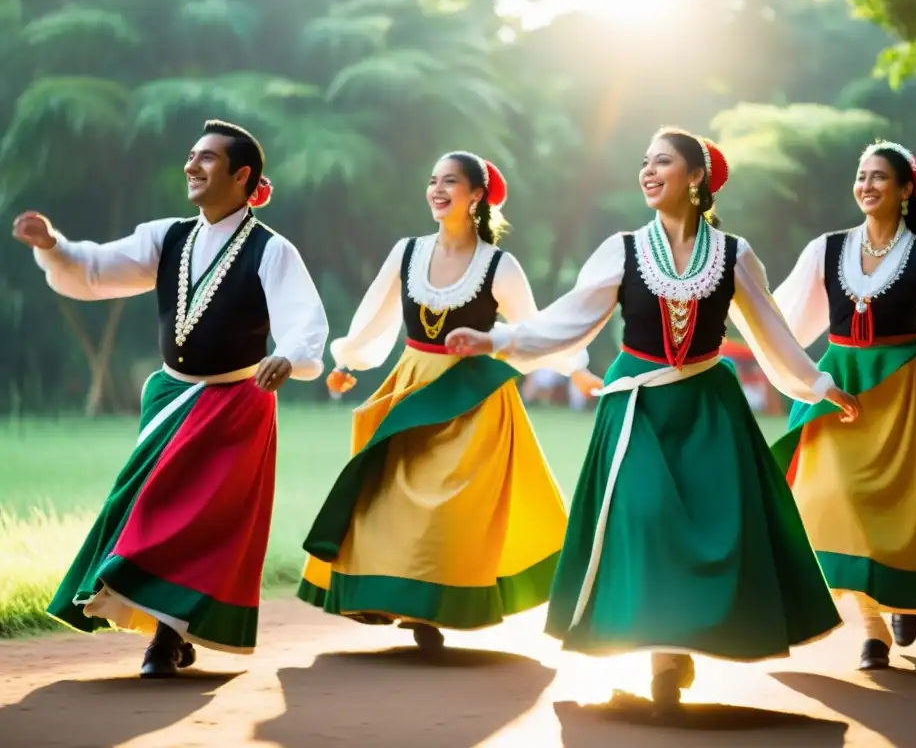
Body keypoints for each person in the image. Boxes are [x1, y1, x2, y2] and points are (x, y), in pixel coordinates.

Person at [445, 128, 859, 710]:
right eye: (644, 162)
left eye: (662, 162)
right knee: (645, 511)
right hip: (636, 404)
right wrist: (497, 339)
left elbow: (771, 332)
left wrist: (818, 385)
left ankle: (674, 652)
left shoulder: (734, 254)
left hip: (709, 409)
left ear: (696, 177)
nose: (647, 171)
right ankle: (660, 652)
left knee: (718, 527)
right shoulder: (622, 248)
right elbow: (569, 320)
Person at [12, 120, 329, 677]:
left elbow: (304, 323)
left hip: (235, 403)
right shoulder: (168, 236)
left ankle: (165, 638)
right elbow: (98, 268)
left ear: (242, 175)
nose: (193, 166)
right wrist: (53, 246)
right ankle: (166, 631)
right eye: (191, 155)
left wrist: (291, 358)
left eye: (207, 158)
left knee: (198, 520)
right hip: (169, 398)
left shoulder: (272, 251)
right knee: (148, 507)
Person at [298, 151, 600, 650]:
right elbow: (377, 311)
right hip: (413, 381)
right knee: (389, 498)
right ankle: (382, 595)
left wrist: (578, 369)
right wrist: (348, 359)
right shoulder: (407, 252)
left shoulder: (499, 265)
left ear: (476, 195)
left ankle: (428, 610)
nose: (437, 189)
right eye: (433, 180)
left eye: (451, 182)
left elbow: (534, 326)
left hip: (473, 399)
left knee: (451, 509)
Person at [771, 140, 916, 671]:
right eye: (861, 175)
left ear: (904, 191)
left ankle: (899, 597)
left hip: (901, 389)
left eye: (879, 177)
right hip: (838, 384)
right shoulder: (825, 249)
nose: (867, 185)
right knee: (829, 497)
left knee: (895, 507)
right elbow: (783, 321)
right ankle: (872, 629)